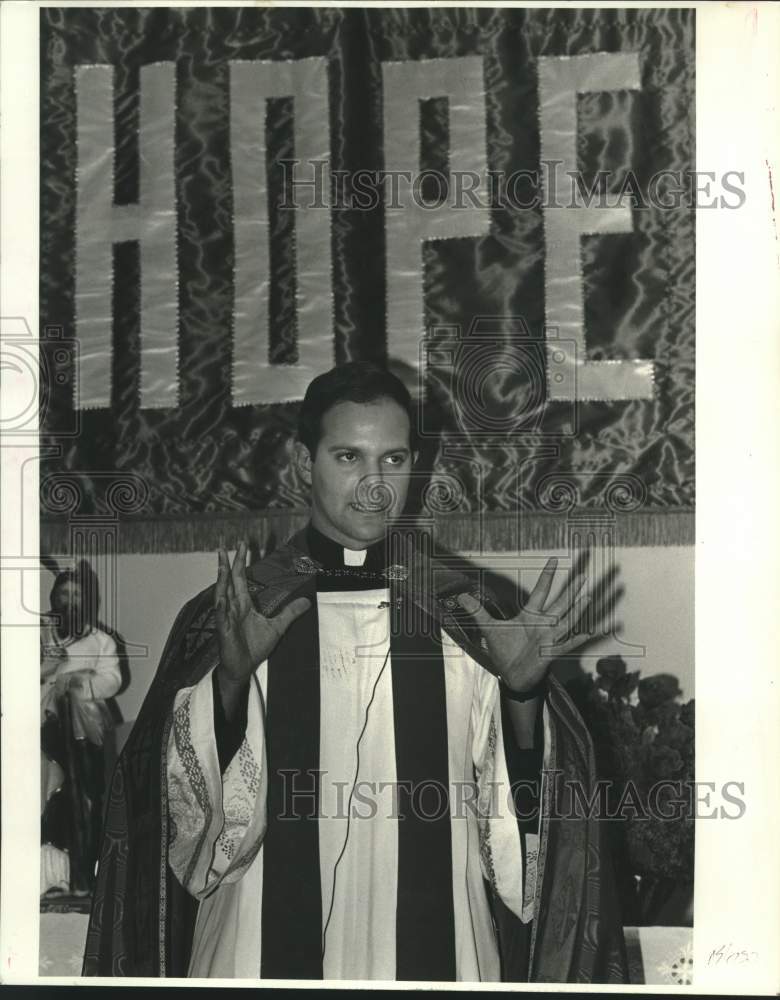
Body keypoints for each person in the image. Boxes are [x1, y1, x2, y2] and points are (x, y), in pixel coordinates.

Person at [84, 362, 628, 981]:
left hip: (439, 939)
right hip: (256, 937)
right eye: (348, 456)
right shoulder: (237, 615)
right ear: (301, 462)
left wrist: (523, 693)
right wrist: (230, 684)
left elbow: (518, 825)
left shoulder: (468, 613)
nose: (374, 485)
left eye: (393, 460)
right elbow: (176, 829)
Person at [41, 566, 122, 894]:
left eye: (77, 595)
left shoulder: (101, 640)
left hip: (85, 723)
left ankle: (83, 877)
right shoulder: (41, 634)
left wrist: (79, 684)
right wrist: (46, 669)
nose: (70, 601)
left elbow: (113, 679)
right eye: (65, 594)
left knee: (86, 795)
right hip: (46, 721)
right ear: (54, 597)